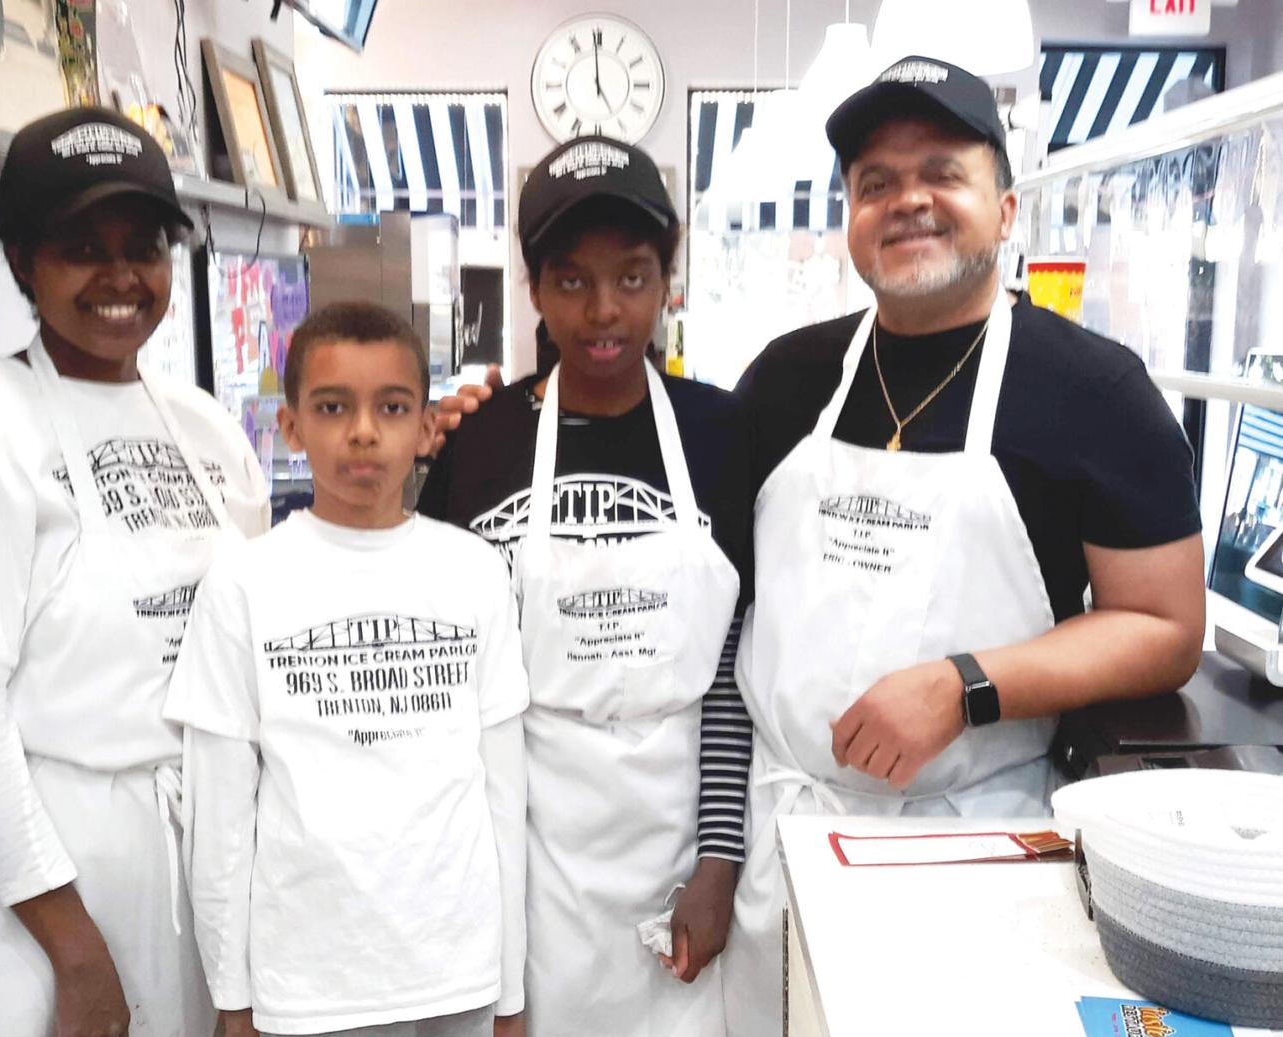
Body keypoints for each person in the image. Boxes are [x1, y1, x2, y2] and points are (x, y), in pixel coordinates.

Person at [719, 56, 1206, 1035]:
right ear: (852, 218)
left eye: (942, 172)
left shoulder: (1096, 394)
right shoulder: (784, 379)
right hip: (781, 838)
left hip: (973, 847)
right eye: (876, 183)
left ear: (1007, 207)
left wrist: (964, 684)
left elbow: (1165, 626)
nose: (908, 200)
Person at [0, 107, 271, 1036]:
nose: (121, 278)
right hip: (32, 897)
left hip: (189, 868)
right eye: (82, 248)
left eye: (144, 248)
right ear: (21, 262)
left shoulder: (206, 428)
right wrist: (74, 950)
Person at [417, 136, 754, 1037]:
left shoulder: (723, 434)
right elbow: (447, 683)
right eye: (571, 280)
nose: (604, 310)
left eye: (633, 276)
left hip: (677, 844)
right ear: (534, 287)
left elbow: (733, 671)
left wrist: (720, 861)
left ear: (667, 281)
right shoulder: (480, 441)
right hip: (523, 850)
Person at [165, 302, 528, 1037]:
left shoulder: (474, 571)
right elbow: (222, 818)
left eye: (391, 407)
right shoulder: (244, 584)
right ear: (291, 426)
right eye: (333, 408)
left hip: (456, 969)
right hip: (308, 983)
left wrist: (510, 990)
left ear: (426, 427)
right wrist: (232, 998)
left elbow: (504, 795)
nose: (363, 432)